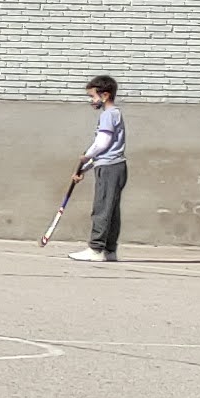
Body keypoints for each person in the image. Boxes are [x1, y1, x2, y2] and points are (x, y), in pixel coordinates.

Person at [66, 75, 127, 261]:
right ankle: (109, 250)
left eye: (92, 96)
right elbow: (105, 149)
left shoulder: (108, 115)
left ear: (105, 95)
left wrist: (86, 156)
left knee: (101, 209)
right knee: (111, 210)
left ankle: (96, 249)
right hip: (114, 166)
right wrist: (84, 168)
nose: (91, 101)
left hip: (109, 168)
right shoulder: (115, 114)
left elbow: (102, 143)